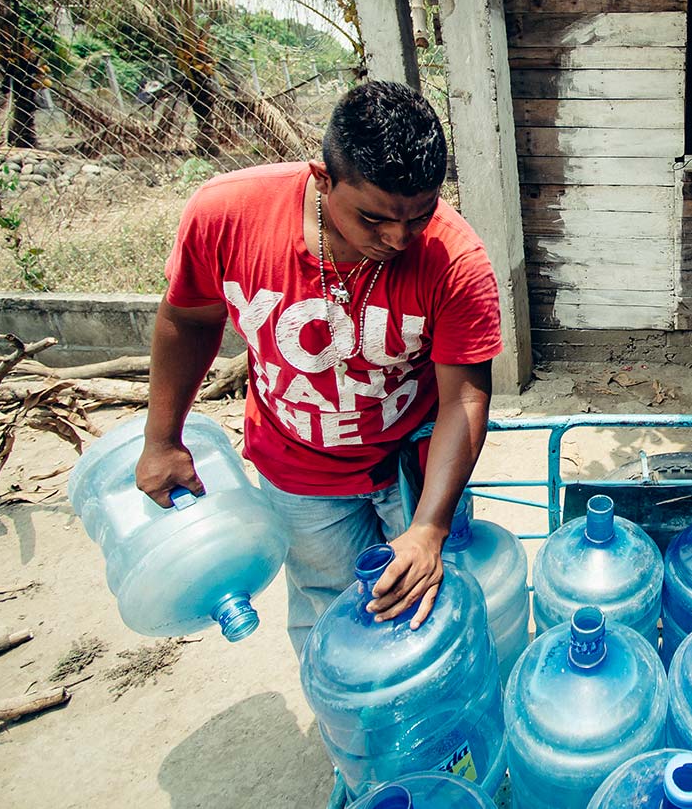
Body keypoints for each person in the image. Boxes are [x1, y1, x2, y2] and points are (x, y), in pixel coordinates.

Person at [134, 81, 503, 651]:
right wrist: (162, 439)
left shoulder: (455, 259)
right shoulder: (227, 215)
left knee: (438, 604)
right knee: (335, 616)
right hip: (298, 468)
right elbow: (189, 319)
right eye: (375, 218)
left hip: (417, 461)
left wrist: (429, 526)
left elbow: (463, 398)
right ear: (323, 179)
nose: (398, 238)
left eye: (419, 215)